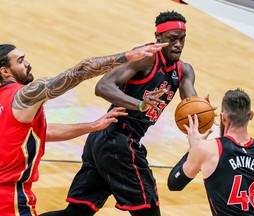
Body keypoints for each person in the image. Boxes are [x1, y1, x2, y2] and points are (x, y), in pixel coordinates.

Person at [40, 10, 200, 216]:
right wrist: (140, 105)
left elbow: (192, 107)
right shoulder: (146, 57)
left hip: (107, 143)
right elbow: (103, 86)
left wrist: (202, 112)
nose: (178, 44)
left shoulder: (184, 71)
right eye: (172, 39)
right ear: (158, 37)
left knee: (76, 213)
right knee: (149, 212)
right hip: (120, 140)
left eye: (182, 39)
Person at [0, 42, 168, 216]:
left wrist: (93, 126)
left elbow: (42, 133)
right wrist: (128, 56)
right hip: (9, 199)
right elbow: (80, 71)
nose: (27, 63)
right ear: (5, 71)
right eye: (20, 61)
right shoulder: (25, 96)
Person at [168, 88, 254, 215]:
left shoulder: (207, 149)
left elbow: (174, 183)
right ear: (251, 115)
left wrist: (192, 149)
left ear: (223, 117)